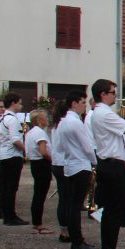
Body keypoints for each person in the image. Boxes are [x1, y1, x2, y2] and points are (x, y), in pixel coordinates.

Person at [89, 80, 125, 249]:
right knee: (114, 212)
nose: (115, 95)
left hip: (109, 163)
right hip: (113, 166)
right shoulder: (103, 113)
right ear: (103, 94)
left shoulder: (101, 113)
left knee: (113, 211)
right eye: (112, 92)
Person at [56, 90, 99, 249]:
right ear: (74, 104)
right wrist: (94, 161)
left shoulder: (63, 122)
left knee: (72, 204)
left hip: (70, 164)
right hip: (80, 165)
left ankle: (75, 238)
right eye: (82, 103)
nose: (84, 106)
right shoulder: (75, 122)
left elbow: (60, 146)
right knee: (75, 205)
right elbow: (87, 146)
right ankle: (77, 241)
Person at [0, 93, 27, 226]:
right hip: (12, 155)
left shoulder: (2, 118)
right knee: (11, 187)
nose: (21, 105)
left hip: (4, 154)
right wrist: (26, 149)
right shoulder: (12, 119)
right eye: (19, 103)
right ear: (13, 103)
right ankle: (10, 216)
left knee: (6, 186)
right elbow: (15, 139)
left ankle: (8, 215)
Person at [25, 110, 53, 234]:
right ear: (39, 120)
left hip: (35, 164)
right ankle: (38, 224)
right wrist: (53, 159)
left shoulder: (30, 133)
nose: (47, 119)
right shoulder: (40, 133)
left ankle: (36, 222)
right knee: (40, 195)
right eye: (45, 117)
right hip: (42, 164)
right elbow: (43, 151)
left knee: (38, 194)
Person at [50, 101, 70, 241]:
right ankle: (66, 230)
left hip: (57, 163)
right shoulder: (65, 124)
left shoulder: (56, 125)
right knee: (67, 199)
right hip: (64, 163)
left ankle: (64, 229)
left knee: (64, 199)